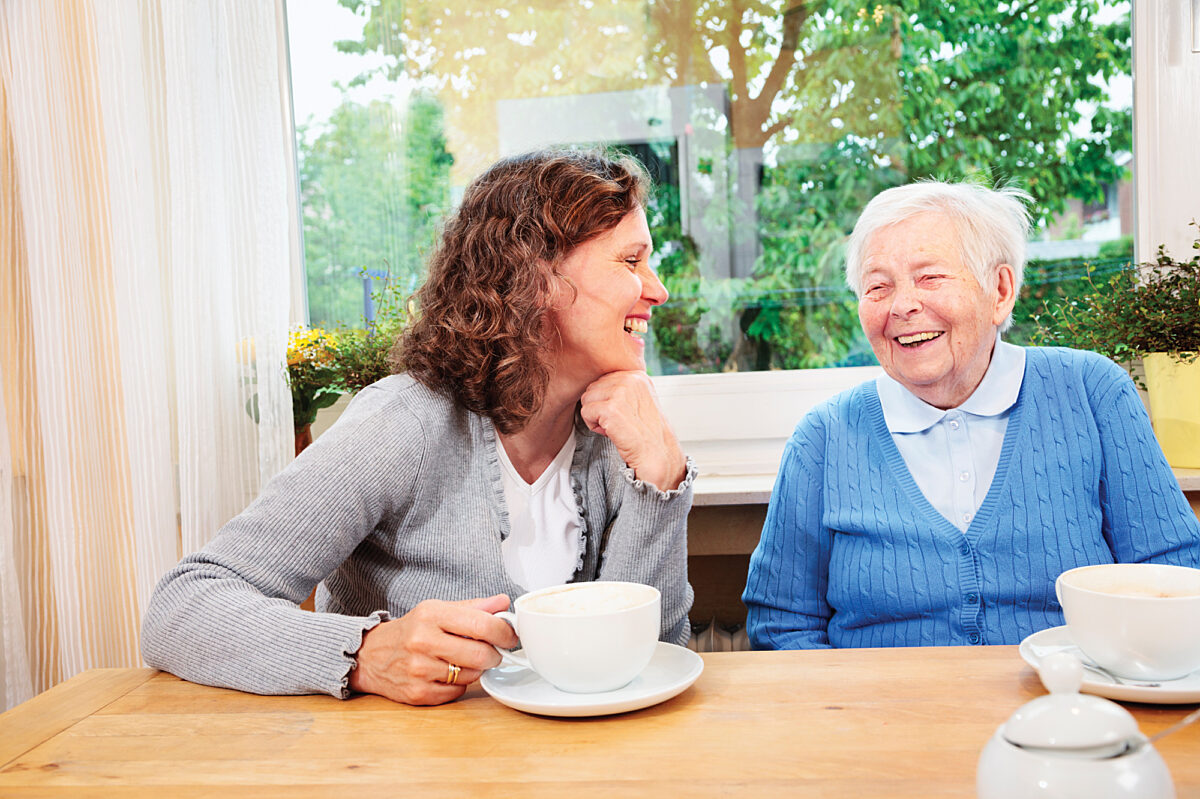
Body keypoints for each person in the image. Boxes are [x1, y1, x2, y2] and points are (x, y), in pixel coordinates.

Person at [142, 149, 695, 705]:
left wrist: (663, 477)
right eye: (631, 261)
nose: (657, 289)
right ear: (537, 276)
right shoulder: (405, 424)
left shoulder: (617, 434)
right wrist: (363, 654)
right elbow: (181, 607)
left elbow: (656, 655)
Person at [742, 179, 1200, 650]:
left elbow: (1174, 578)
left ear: (1000, 291)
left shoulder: (1093, 392)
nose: (902, 306)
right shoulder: (824, 436)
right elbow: (782, 625)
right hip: (881, 717)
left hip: (1068, 707)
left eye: (930, 278)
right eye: (878, 287)